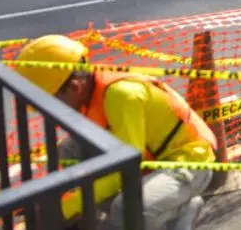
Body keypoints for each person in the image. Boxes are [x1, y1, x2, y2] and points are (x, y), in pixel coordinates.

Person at [12, 35, 216, 230]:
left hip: (186, 163)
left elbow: (127, 168)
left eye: (52, 101)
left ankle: (181, 211)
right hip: (148, 158)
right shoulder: (88, 93)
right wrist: (52, 199)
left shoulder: (122, 96)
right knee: (69, 150)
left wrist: (67, 207)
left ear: (74, 87)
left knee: (129, 208)